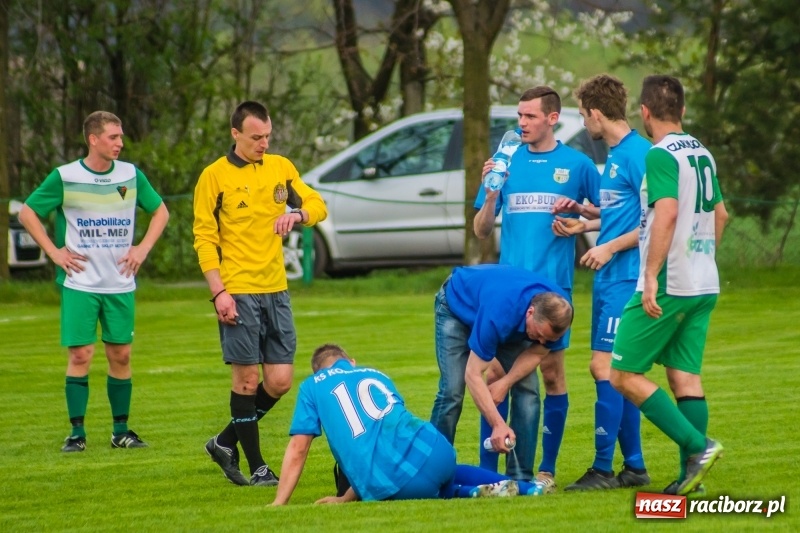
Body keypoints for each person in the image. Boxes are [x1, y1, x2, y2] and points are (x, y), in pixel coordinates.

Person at [193, 101, 327, 486]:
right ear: (235, 134)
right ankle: (258, 466)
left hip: (276, 289)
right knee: (247, 381)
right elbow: (204, 237)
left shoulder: (281, 168)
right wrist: (218, 292)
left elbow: (318, 205)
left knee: (281, 380)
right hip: (237, 290)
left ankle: (223, 441)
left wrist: (298, 215)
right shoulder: (214, 177)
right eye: (256, 137)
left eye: (267, 136)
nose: (263, 143)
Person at [18, 110, 170, 452]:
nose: (120, 143)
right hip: (79, 283)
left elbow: (161, 211)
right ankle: (76, 434)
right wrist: (55, 253)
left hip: (120, 282)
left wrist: (142, 248)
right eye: (113, 137)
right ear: (93, 139)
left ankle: (121, 432)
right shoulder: (65, 176)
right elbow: (27, 212)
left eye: (120, 136)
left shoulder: (131, 175)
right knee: (82, 354)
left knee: (121, 355)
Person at [473, 86, 601, 489]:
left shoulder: (578, 165)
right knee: (494, 374)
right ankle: (489, 475)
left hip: (553, 294)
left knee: (552, 378)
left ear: (552, 118)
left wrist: (579, 216)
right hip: (509, 295)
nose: (521, 123)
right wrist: (492, 193)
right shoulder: (505, 163)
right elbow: (479, 231)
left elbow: (607, 214)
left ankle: (545, 471)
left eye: (530, 116)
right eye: (519, 116)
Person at [609, 75, 728, 496]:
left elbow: (668, 212)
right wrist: (701, 258)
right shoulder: (703, 152)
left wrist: (652, 276)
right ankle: (690, 479)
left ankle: (699, 446)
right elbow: (722, 216)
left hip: (671, 283)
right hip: (703, 282)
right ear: (681, 110)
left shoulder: (660, 155)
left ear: (644, 112)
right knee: (684, 377)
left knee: (621, 373)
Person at [272, 344, 546, 505]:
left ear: (319, 371)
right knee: (443, 473)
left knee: (423, 484)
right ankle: (526, 486)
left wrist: (278, 503)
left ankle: (467, 493)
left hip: (404, 484)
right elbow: (380, 439)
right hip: (437, 448)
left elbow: (299, 448)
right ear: (351, 362)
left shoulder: (312, 387)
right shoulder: (375, 374)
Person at [548, 74, 652, 491]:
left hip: (626, 275)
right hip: (610, 278)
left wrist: (608, 248)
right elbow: (623, 211)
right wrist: (585, 218)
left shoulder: (638, 154)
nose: (582, 122)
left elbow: (654, 219)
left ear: (595, 114)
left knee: (603, 367)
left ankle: (603, 470)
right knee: (617, 371)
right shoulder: (614, 155)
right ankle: (635, 468)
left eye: (581, 115)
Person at [429, 264, 574, 462]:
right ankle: (435, 463)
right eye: (539, 335)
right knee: (452, 391)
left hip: (500, 309)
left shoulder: (559, 317)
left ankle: (520, 476)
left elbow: (536, 354)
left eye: (546, 340)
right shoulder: (500, 313)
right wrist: (498, 424)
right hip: (456, 306)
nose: (540, 342)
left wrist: (505, 383)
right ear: (530, 312)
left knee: (528, 389)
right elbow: (473, 374)